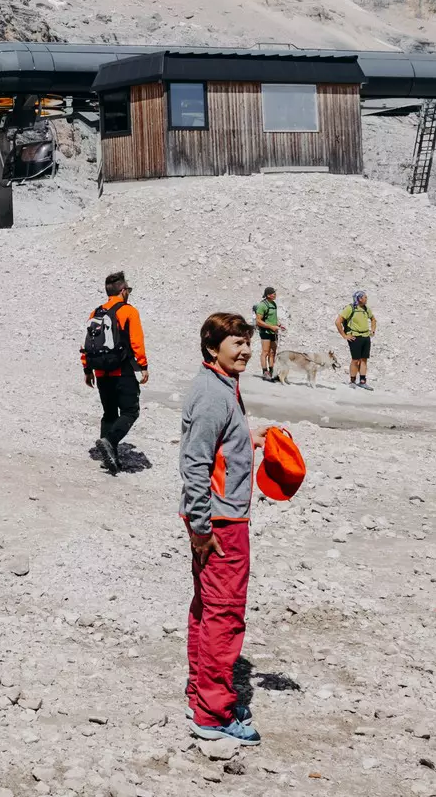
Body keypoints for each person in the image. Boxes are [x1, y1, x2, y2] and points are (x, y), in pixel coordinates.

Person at [180, 311, 264, 746]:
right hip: (220, 522)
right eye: (236, 343)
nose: (246, 350)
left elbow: (216, 445)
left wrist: (247, 439)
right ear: (213, 348)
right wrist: (200, 526)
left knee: (207, 607)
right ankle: (213, 714)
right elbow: (194, 463)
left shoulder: (219, 385)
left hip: (216, 518)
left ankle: (202, 694)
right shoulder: (213, 394)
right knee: (224, 614)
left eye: (247, 342)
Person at [81, 271, 148, 474]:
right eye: (128, 289)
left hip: (101, 371)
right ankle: (109, 442)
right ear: (122, 290)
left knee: (109, 413)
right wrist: (143, 366)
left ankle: (108, 458)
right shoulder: (128, 311)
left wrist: (87, 369)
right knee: (130, 411)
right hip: (121, 370)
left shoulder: (96, 313)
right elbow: (136, 341)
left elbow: (88, 343)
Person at [337, 290, 377, 389]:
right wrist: (344, 335)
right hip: (354, 337)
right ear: (359, 298)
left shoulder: (366, 309)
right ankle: (352, 381)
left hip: (365, 337)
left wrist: (372, 330)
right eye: (365, 297)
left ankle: (362, 381)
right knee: (355, 360)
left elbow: (373, 319)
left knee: (364, 359)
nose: (366, 299)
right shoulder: (350, 308)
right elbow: (338, 321)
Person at [252, 287, 282, 382]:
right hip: (265, 331)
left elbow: (273, 317)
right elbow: (258, 321)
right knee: (265, 352)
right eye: (273, 293)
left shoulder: (273, 304)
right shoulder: (262, 305)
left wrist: (277, 324)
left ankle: (272, 371)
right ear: (268, 295)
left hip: (273, 331)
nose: (275, 295)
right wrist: (271, 327)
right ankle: (265, 372)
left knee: (272, 352)